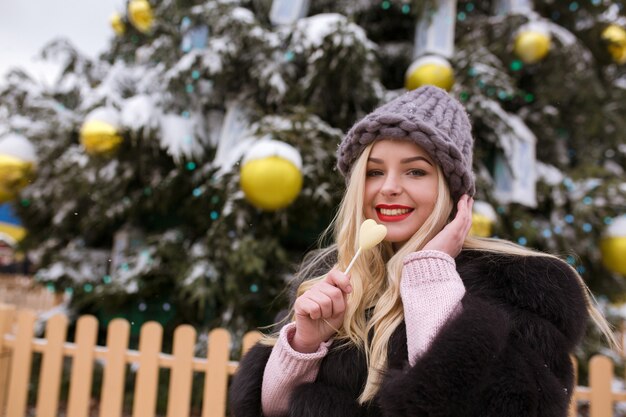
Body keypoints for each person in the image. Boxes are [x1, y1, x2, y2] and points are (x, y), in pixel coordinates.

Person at [228, 85, 613, 417]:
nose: (389, 187)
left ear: (452, 191)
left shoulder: (525, 286)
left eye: (416, 171)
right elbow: (271, 410)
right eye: (375, 172)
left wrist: (430, 275)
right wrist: (304, 347)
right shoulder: (337, 276)